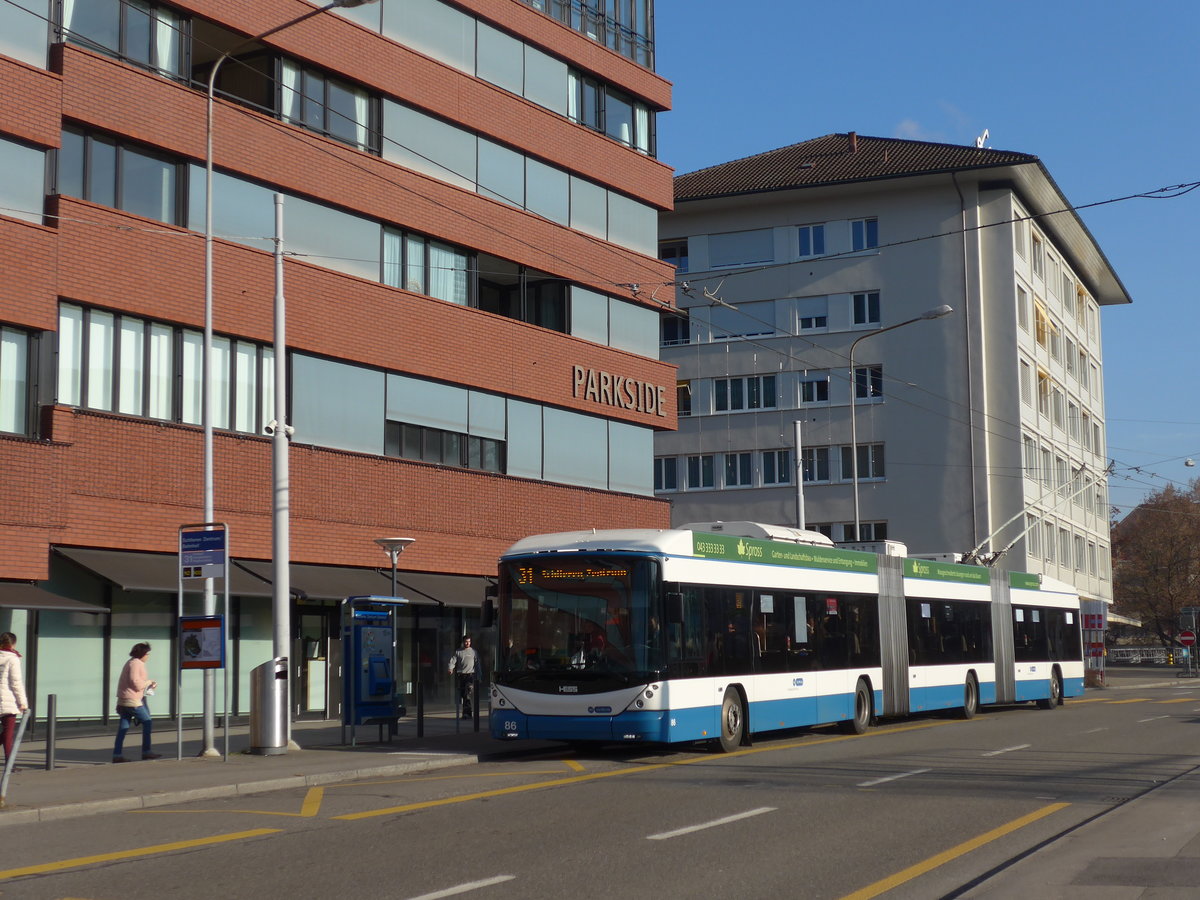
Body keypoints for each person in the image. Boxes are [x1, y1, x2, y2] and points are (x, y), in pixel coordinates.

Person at [113, 642, 162, 763]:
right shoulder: (137, 664)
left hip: (123, 700)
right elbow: (136, 683)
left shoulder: (130, 662)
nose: (148, 656)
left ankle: (117, 754)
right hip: (132, 701)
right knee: (147, 722)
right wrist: (149, 682)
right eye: (147, 653)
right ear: (142, 654)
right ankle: (146, 751)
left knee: (123, 728)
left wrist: (148, 685)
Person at [0, 632, 28, 769]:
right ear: (13, 643)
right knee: (8, 731)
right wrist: (23, 702)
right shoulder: (13, 659)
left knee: (6, 732)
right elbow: (16, 682)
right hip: (7, 699)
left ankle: (9, 762)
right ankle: (9, 763)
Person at [448, 635, 479, 719]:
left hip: (470, 675)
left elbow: (477, 664)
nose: (467, 643)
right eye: (466, 641)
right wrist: (450, 668)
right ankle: (467, 713)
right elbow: (453, 661)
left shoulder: (473, 652)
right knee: (463, 694)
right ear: (463, 642)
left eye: (469, 641)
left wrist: (479, 675)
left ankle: (467, 713)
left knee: (467, 693)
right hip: (461, 676)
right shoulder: (458, 651)